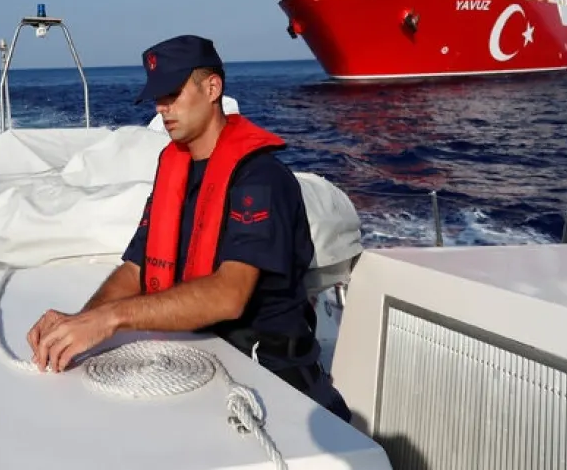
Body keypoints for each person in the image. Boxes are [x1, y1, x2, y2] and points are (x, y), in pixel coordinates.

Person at [25, 35, 350, 421]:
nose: (163, 108)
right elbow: (135, 269)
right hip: (193, 358)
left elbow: (228, 295)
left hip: (271, 378)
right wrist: (80, 322)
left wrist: (109, 319)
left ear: (212, 88)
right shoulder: (172, 169)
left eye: (173, 94)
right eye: (157, 98)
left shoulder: (260, 179)